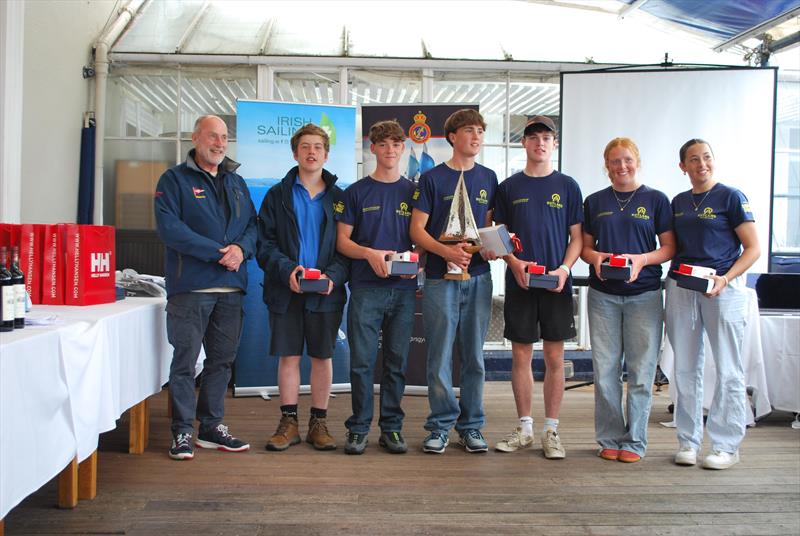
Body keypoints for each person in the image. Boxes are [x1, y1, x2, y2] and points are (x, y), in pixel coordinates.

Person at [154, 114, 257, 460]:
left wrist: (242, 250)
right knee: (184, 362)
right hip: (191, 289)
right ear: (196, 138)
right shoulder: (174, 180)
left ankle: (211, 427)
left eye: (224, 137)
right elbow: (171, 229)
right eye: (212, 136)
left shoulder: (237, 182)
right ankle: (182, 432)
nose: (219, 143)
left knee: (221, 362)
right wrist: (218, 254)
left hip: (231, 288)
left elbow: (252, 228)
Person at [666, 138, 760, 470]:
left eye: (706, 157)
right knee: (686, 368)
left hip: (723, 289)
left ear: (713, 161)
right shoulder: (677, 202)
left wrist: (726, 278)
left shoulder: (731, 197)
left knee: (729, 369)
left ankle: (725, 444)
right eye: (693, 159)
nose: (701, 164)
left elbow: (752, 248)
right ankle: (688, 442)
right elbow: (672, 246)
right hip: (681, 288)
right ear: (683, 167)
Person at [491, 116, 582, 459]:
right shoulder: (509, 187)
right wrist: (514, 264)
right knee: (521, 355)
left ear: (554, 144)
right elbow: (498, 236)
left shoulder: (569, 186)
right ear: (524, 144)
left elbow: (578, 238)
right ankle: (525, 428)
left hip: (557, 283)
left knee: (556, 357)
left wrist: (563, 269)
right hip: (521, 282)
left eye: (546, 138)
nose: (540, 143)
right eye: (533, 138)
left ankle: (551, 431)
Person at [581, 138, 675, 463]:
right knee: (605, 369)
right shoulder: (594, 202)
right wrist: (596, 257)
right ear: (606, 166)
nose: (622, 167)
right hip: (603, 297)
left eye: (627, 160)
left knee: (641, 370)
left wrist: (641, 260)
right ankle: (609, 437)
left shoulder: (656, 200)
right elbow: (584, 248)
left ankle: (634, 441)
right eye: (615, 161)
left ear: (637, 161)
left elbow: (668, 248)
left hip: (645, 296)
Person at [409, 109, 497, 454]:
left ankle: (472, 426)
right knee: (440, 354)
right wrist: (446, 253)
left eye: (480, 132)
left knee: (474, 355)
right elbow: (416, 229)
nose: (476, 137)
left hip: (478, 278)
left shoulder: (490, 178)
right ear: (452, 137)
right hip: (439, 279)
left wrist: (488, 249)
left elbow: (487, 230)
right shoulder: (432, 179)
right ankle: (441, 426)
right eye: (469, 131)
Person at [257, 123, 349, 452]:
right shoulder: (277, 195)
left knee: (322, 357)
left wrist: (334, 277)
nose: (312, 152)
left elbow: (348, 247)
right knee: (290, 357)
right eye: (305, 147)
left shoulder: (340, 199)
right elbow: (263, 244)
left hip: (327, 292)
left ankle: (319, 423)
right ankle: (289, 423)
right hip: (286, 290)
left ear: (326, 154)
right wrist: (287, 272)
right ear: (295, 153)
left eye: (318, 147)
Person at [336, 120, 418, 455]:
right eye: (382, 144)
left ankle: (392, 428)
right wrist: (369, 253)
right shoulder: (355, 192)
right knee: (362, 362)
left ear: (402, 149)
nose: (389, 150)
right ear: (373, 148)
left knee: (397, 361)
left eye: (396, 145)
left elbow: (422, 239)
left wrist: (416, 260)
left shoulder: (414, 192)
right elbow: (342, 242)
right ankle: (358, 428)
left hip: (402, 289)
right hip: (366, 289)